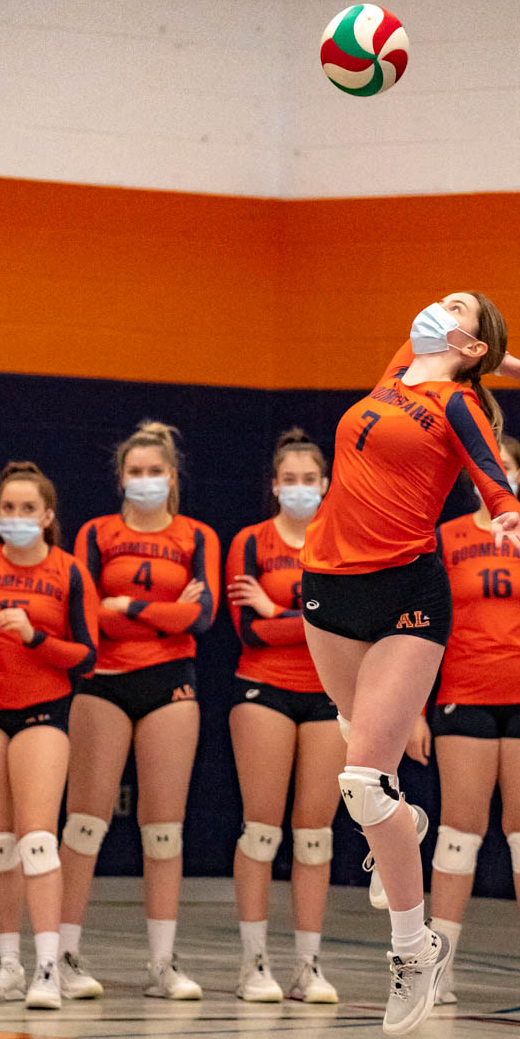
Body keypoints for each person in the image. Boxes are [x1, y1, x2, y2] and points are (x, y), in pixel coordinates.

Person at [300, 293, 520, 1036]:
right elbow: (486, 358)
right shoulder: (399, 371)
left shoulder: (458, 401)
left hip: (407, 591)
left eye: (457, 305)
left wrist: (505, 513)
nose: (439, 305)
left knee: (363, 781)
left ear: (470, 345)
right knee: (360, 752)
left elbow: (489, 472)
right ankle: (405, 823)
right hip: (327, 585)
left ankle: (415, 948)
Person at [405, 435, 520, 1011]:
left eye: (507, 465)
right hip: (463, 697)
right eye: (489, 466)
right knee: (459, 835)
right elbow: (421, 628)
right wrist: (413, 709)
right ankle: (441, 973)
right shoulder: (446, 539)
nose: (497, 473)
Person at [59, 422, 220, 1000]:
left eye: (156, 472)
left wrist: (125, 602)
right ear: (120, 478)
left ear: (172, 478)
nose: (145, 481)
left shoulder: (197, 535)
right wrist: (161, 609)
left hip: (170, 682)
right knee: (84, 822)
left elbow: (201, 618)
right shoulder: (96, 534)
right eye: (135, 472)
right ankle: (63, 957)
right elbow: (83, 611)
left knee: (163, 831)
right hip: (104, 681)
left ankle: (162, 964)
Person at [0, 462, 98, 1010]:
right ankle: (7, 964)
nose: (18, 517)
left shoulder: (69, 571)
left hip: (43, 711)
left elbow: (86, 657)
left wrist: (35, 637)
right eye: (9, 508)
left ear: (48, 516)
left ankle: (48, 968)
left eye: (29, 509)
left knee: (36, 838)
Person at [226, 429, 345, 1003]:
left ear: (326, 485)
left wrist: (278, 608)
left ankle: (308, 966)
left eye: (309, 480)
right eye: (289, 480)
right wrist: (300, 618)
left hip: (328, 694)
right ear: (274, 486)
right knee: (261, 828)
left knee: (315, 836)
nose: (299, 489)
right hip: (263, 689)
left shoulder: (345, 540)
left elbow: (350, 625)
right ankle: (255, 964)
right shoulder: (250, 542)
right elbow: (247, 631)